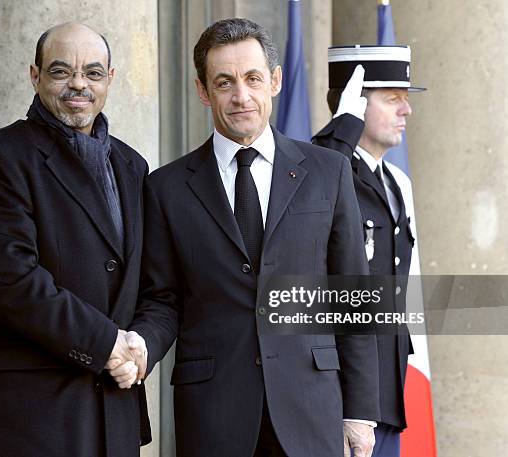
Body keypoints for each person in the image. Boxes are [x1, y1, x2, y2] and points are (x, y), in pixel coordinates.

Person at [111, 18, 380, 457]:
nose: (241, 96)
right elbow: (163, 299)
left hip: (311, 408)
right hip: (213, 414)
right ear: (202, 90)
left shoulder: (328, 171)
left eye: (253, 78)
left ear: (274, 81)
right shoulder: (165, 188)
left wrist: (360, 413)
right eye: (224, 82)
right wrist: (140, 347)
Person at [0, 22, 149, 457]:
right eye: (61, 71)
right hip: (32, 419)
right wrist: (107, 344)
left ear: (111, 80)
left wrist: (141, 348)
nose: (78, 84)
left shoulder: (131, 165)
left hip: (114, 413)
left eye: (94, 73)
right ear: (35, 75)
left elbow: (155, 284)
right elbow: (11, 281)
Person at [313, 45, 426, 457]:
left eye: (407, 99)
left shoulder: (396, 182)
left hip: (385, 395)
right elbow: (311, 195)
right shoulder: (327, 164)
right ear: (355, 104)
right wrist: (341, 128)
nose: (406, 111)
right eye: (392, 98)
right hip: (335, 398)